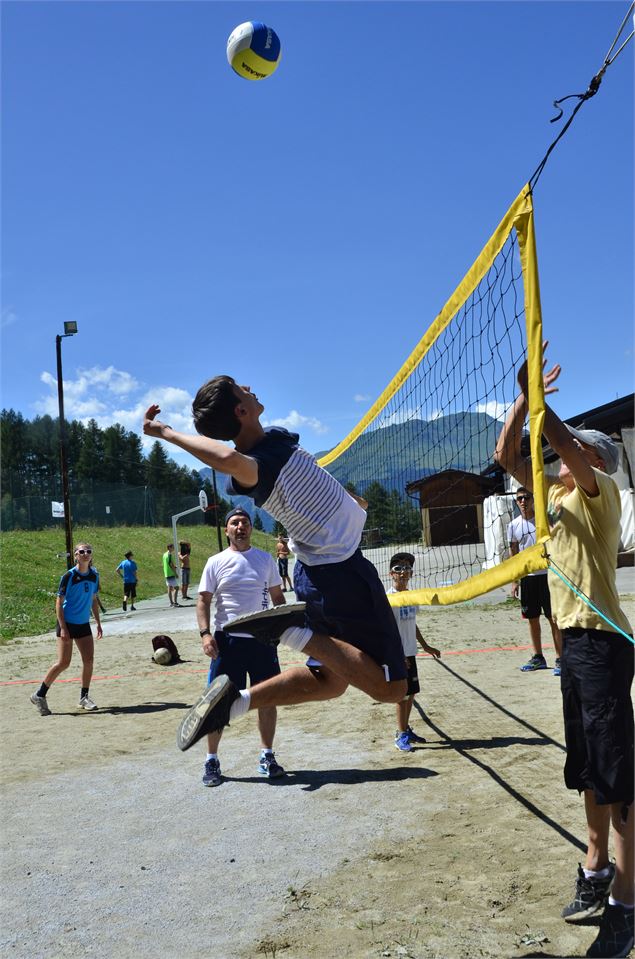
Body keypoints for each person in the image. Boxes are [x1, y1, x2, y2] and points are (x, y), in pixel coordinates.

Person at [142, 377, 407, 754]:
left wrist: (353, 504)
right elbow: (228, 459)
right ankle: (290, 629)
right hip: (340, 574)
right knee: (391, 688)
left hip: (324, 572)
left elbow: (316, 482)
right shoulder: (256, 467)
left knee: (330, 682)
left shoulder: (276, 441)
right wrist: (165, 431)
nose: (250, 387)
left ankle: (233, 703)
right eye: (241, 388)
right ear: (241, 410)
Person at [494, 347, 633, 959]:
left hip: (602, 643)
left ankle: (628, 906)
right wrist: (523, 398)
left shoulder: (600, 488)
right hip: (574, 644)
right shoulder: (553, 499)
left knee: (618, 777)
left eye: (574, 450)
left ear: (595, 458)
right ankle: (597, 868)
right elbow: (506, 457)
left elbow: (567, 447)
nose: (558, 456)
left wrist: (541, 405)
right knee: (587, 770)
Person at [198, 507, 287, 787]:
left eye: (245, 523)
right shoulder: (215, 562)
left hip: (262, 642)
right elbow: (203, 601)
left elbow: (277, 597)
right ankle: (211, 760)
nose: (240, 527)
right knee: (218, 703)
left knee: (267, 698)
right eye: (234, 523)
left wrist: (282, 627)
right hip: (228, 641)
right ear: (226, 530)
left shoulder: (265, 560)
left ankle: (267, 756)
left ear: (250, 528)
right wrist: (205, 634)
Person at [30, 542, 103, 715]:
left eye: (88, 551)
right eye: (81, 552)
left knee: (89, 660)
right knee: (64, 662)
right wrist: (63, 627)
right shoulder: (69, 576)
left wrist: (98, 623)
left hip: (83, 623)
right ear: (76, 555)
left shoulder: (94, 575)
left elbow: (93, 600)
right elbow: (58, 602)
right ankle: (39, 695)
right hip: (67, 623)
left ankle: (84, 697)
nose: (85, 554)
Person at [387, 552, 441, 752]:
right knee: (402, 695)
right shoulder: (389, 598)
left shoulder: (411, 596)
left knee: (411, 694)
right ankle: (400, 735)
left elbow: (412, 625)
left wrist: (425, 646)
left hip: (410, 652)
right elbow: (388, 631)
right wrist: (398, 655)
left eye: (407, 568)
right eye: (398, 569)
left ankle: (406, 729)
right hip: (397, 653)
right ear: (391, 574)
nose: (403, 572)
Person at [507, 487, 562, 675]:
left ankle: (560, 658)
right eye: (519, 499)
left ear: (532, 500)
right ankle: (538, 657)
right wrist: (515, 580)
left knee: (552, 618)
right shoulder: (513, 525)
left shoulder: (542, 521)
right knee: (532, 619)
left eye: (526, 498)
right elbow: (513, 552)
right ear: (516, 502)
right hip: (528, 578)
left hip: (547, 575)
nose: (523, 501)